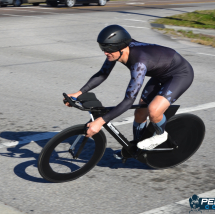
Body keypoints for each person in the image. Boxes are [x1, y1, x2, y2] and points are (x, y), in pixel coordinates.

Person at [65, 24, 194, 151]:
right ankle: (136, 147)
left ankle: (161, 135)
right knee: (139, 113)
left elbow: (128, 101)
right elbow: (102, 74)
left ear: (121, 47)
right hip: (160, 74)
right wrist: (78, 93)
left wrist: (100, 122)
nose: (105, 52)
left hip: (180, 74)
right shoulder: (116, 51)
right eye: (102, 47)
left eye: (108, 48)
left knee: (153, 110)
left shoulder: (139, 63)